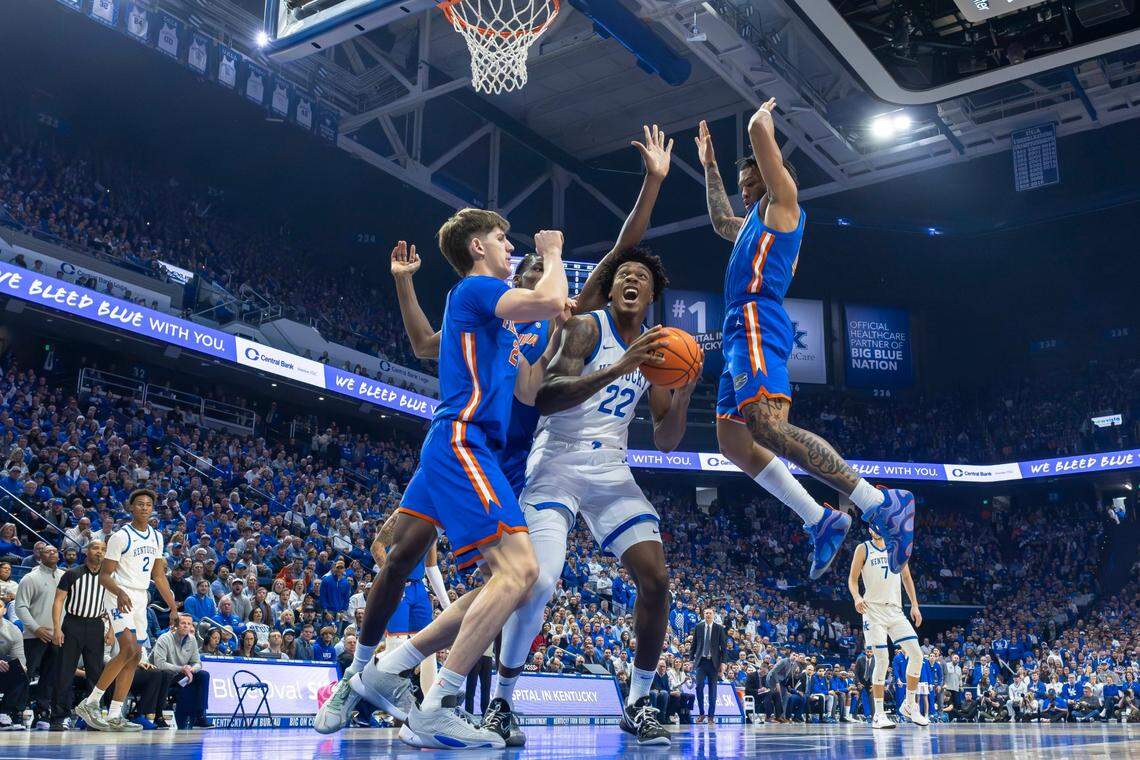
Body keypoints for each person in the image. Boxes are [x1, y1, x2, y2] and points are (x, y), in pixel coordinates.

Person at [485, 127, 683, 750]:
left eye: (639, 277)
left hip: (613, 471)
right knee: (539, 581)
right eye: (620, 274)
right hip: (558, 459)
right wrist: (652, 182)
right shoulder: (583, 323)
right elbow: (546, 398)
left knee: (655, 579)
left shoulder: (659, 351)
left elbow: (670, 440)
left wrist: (683, 389)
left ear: (652, 293)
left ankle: (640, 700)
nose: (627, 278)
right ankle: (501, 700)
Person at [346, 212, 573, 750]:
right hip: (462, 439)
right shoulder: (477, 289)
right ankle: (436, 704)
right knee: (518, 573)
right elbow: (544, 298)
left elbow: (427, 344)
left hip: (476, 447)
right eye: (501, 238)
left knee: (515, 583)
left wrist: (404, 284)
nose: (510, 245)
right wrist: (556, 252)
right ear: (478, 247)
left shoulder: (493, 314)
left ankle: (390, 669)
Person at [696, 106, 915, 581]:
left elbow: (758, 133)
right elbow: (719, 221)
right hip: (739, 326)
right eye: (744, 183)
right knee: (733, 442)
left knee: (769, 428)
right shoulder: (751, 223)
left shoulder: (784, 206)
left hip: (757, 317)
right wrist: (710, 165)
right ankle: (820, 519)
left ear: (773, 175)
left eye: (753, 178)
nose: (746, 187)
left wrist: (760, 123)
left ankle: (880, 504)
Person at [75, 489, 179, 732]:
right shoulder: (121, 537)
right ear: (131, 507)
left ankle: (114, 714)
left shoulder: (157, 537)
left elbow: (159, 576)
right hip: (118, 594)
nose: (144, 507)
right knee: (129, 648)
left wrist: (173, 608)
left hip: (141, 597)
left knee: (135, 657)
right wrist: (120, 592)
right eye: (140, 504)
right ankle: (90, 703)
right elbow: (104, 576)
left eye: (149, 504)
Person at [848, 527, 929, 730]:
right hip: (872, 610)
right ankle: (879, 714)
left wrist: (915, 605)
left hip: (895, 609)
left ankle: (909, 705)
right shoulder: (863, 548)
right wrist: (857, 597)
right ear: (868, 527)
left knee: (917, 655)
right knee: (882, 659)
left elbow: (907, 578)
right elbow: (852, 579)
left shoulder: (896, 547)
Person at [51, 540, 107, 730]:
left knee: (96, 673)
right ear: (86, 551)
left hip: (96, 625)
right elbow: (58, 601)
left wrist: (112, 631)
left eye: (102, 549)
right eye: (95, 548)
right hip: (73, 624)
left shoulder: (108, 577)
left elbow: (111, 606)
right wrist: (57, 628)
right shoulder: (72, 573)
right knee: (65, 671)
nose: (99, 552)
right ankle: (60, 716)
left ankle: (91, 715)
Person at [14, 541, 64, 728]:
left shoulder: (65, 577)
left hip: (57, 636)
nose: (52, 553)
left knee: (50, 677)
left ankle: (42, 713)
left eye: (55, 551)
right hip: (34, 636)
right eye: (47, 551)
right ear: (40, 556)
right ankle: (16, 711)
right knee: (25, 675)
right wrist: (36, 628)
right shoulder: (30, 577)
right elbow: (20, 606)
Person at [151, 613, 211, 728]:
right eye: (183, 623)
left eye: (189, 624)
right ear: (176, 625)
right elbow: (159, 664)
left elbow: (197, 662)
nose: (186, 626)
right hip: (163, 676)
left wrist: (191, 670)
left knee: (203, 675)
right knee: (168, 675)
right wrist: (182, 669)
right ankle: (158, 715)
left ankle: (200, 715)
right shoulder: (164, 638)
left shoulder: (192, 639)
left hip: (182, 675)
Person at [690, 608, 727, 726]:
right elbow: (693, 645)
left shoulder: (719, 628)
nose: (708, 615)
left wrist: (723, 663)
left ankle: (711, 716)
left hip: (714, 663)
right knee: (699, 687)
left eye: (710, 613)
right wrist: (691, 660)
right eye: (706, 613)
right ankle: (701, 714)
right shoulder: (699, 627)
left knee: (713, 690)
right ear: (703, 614)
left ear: (714, 614)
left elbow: (724, 648)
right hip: (701, 662)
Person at [0, 599, 28, 730]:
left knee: (20, 671)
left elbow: (20, 661)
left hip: (3, 669)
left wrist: (20, 667)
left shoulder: (13, 630)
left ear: (4, 610)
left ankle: (7, 713)